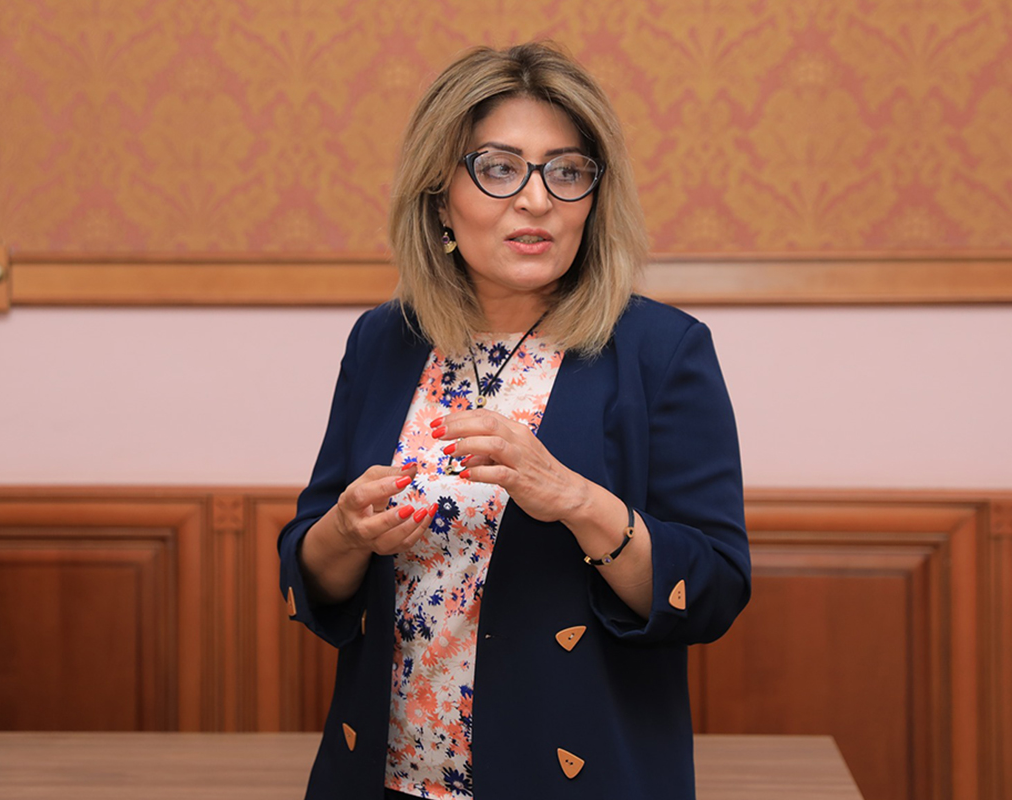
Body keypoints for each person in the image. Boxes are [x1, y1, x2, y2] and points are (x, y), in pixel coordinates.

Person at [278, 42, 750, 800]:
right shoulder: (385, 339)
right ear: (440, 198)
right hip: (385, 780)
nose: (536, 200)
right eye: (499, 168)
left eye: (566, 172)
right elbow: (311, 566)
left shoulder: (660, 351)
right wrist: (344, 532)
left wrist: (575, 500)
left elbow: (714, 588)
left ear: (594, 199)